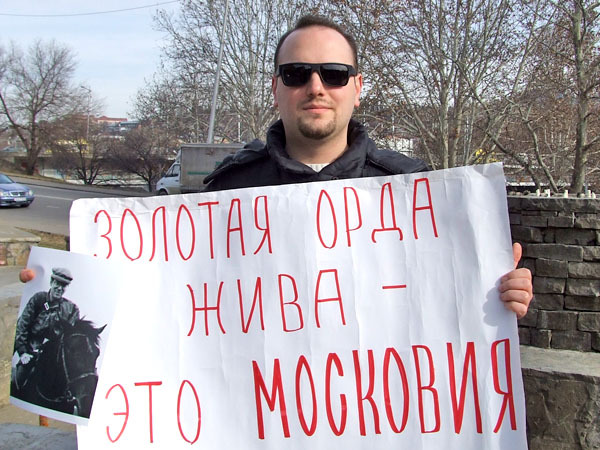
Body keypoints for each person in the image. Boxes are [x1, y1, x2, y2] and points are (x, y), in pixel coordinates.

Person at [20, 15, 533, 318]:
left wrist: (498, 293)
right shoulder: (225, 194)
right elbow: (164, 295)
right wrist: (63, 290)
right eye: (296, 73)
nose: (316, 86)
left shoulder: (416, 192)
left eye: (334, 73)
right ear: (275, 87)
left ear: (357, 87)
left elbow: (447, 308)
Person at [13, 267, 80, 390]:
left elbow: (71, 338)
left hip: (52, 357)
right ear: (51, 282)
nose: (60, 288)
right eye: (57, 283)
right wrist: (23, 352)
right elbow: (22, 326)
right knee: (18, 381)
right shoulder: (39, 299)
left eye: (64, 285)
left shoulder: (71, 309)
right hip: (30, 351)